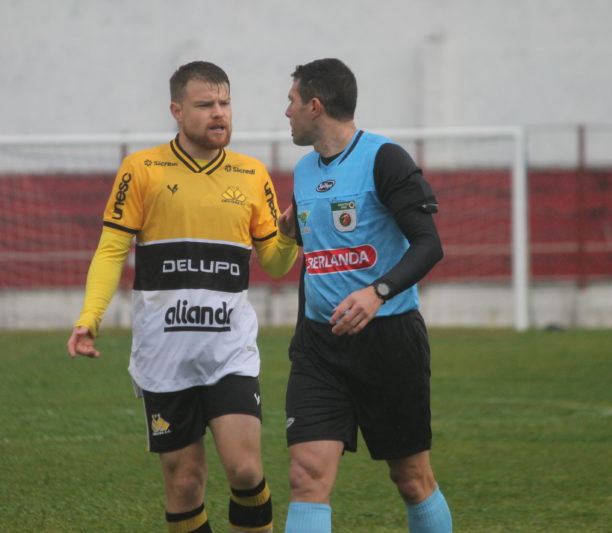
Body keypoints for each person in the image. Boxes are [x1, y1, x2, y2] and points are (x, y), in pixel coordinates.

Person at [66, 61, 298, 533]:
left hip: (228, 351)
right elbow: (112, 250)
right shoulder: (142, 170)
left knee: (246, 470)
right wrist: (90, 316)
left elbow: (274, 262)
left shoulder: (252, 175)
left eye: (225, 103)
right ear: (177, 110)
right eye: (205, 104)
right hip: (164, 354)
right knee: (185, 482)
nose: (219, 113)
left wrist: (291, 235)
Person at [278, 58, 453, 533]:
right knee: (306, 476)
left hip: (389, 340)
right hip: (319, 348)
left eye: (291, 101)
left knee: (412, 478)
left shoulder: (384, 158)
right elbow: (322, 253)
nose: (286, 111)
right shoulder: (303, 172)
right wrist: (294, 233)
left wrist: (377, 292)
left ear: (315, 106)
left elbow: (428, 244)